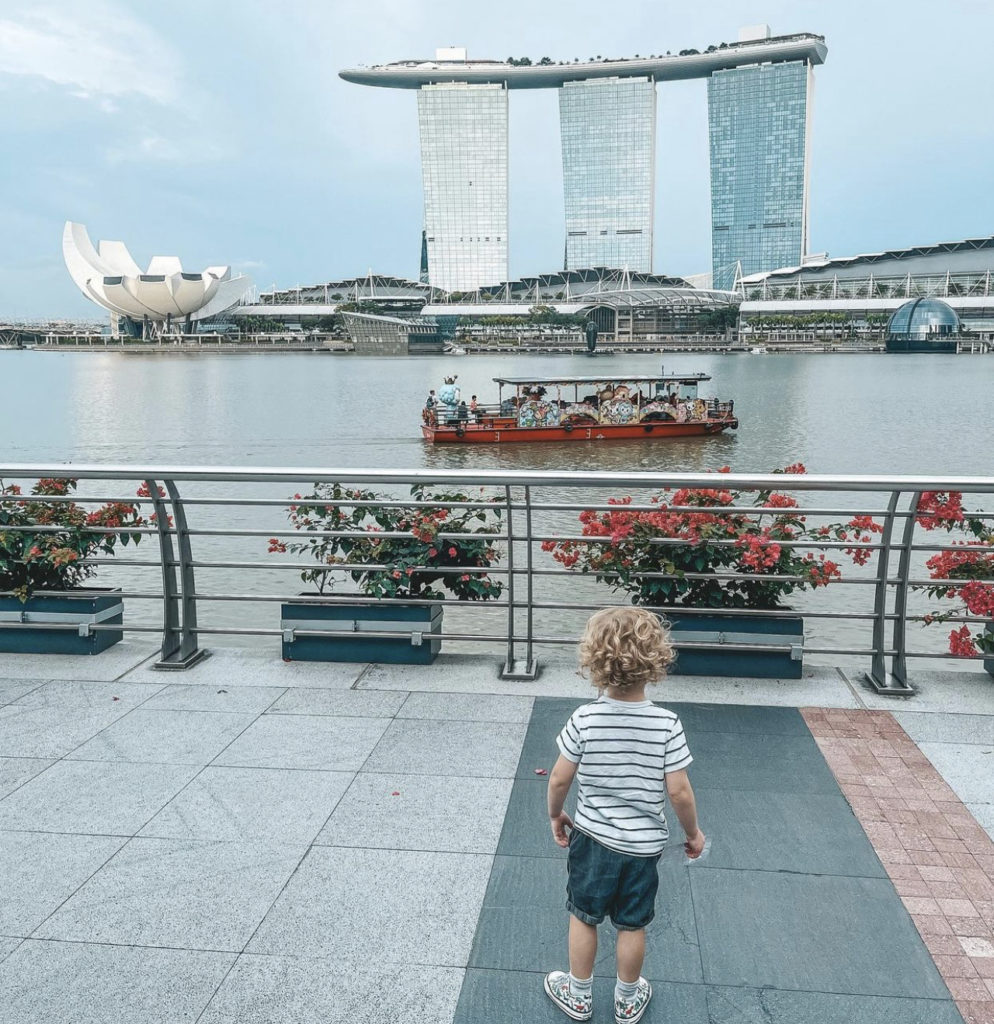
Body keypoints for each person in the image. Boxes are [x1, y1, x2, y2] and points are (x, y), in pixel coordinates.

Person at [544, 607, 705, 1024]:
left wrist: (556, 814)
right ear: (655, 661)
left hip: (593, 839)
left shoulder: (585, 718)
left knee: (584, 916)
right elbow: (679, 791)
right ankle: (627, 998)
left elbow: (560, 778)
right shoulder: (667, 724)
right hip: (643, 847)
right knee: (632, 924)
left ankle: (578, 995)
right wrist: (693, 833)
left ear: (593, 661)